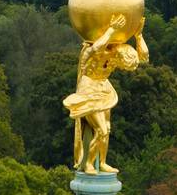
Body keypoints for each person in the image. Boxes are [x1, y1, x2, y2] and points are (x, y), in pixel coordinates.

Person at [63, 15, 148, 174]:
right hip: (89, 88)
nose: (120, 68)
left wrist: (139, 36)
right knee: (101, 130)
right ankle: (88, 163)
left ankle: (102, 162)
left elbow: (144, 58)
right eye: (122, 65)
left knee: (107, 128)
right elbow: (95, 48)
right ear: (120, 57)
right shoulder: (98, 51)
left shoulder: (119, 52)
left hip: (104, 87)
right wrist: (112, 29)